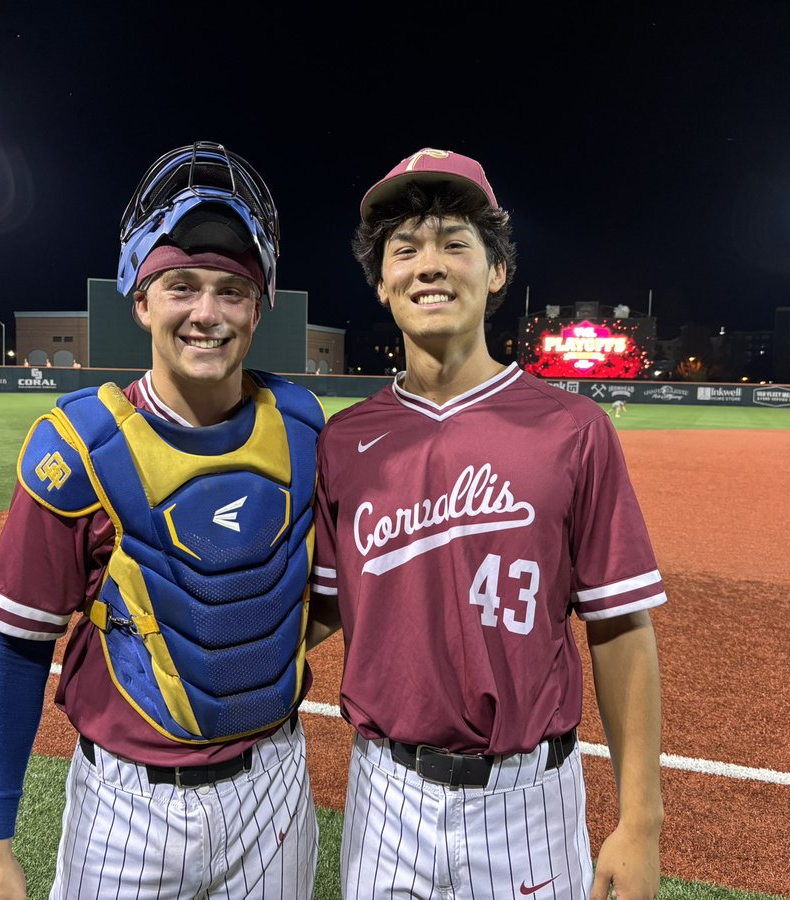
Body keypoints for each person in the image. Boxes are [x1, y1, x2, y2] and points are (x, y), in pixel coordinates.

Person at [0, 141, 325, 899]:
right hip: (129, 805)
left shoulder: (299, 425)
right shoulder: (79, 449)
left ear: (258, 307)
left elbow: (313, 589)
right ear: (139, 298)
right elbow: (16, 648)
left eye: (231, 291)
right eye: (181, 287)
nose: (207, 313)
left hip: (275, 792)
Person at [307, 148, 666, 900]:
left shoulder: (573, 428)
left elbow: (620, 627)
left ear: (497, 271)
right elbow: (326, 609)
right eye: (404, 250)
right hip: (384, 796)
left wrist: (640, 823)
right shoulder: (345, 441)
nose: (427, 265)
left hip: (528, 796)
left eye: (455, 244)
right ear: (382, 283)